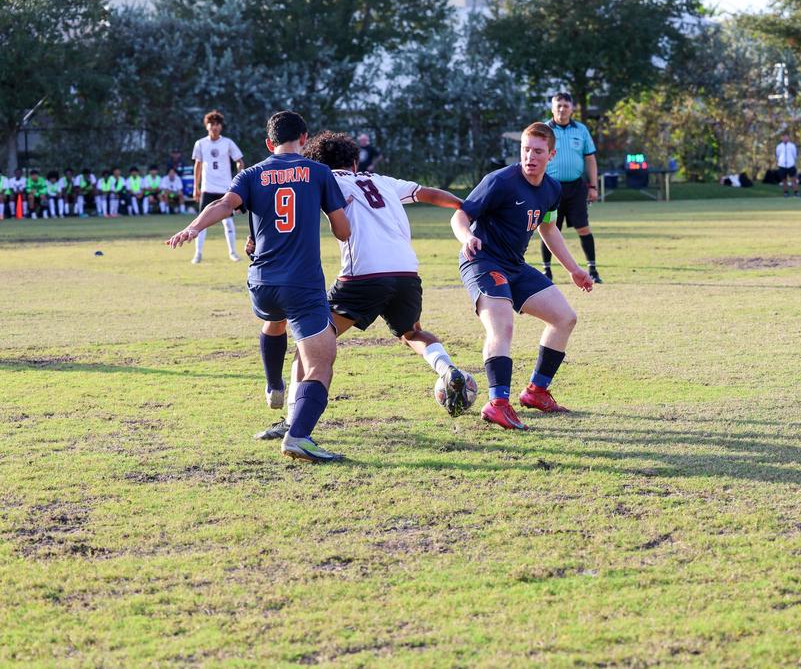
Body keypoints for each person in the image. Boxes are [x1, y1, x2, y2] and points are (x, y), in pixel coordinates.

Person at [253, 130, 470, 440]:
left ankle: (291, 421)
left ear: (318, 165)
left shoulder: (323, 180)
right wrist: (466, 207)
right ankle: (447, 369)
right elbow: (429, 194)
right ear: (355, 163)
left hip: (362, 276)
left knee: (309, 344)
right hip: (406, 272)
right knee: (412, 333)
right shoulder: (381, 181)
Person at [167, 110, 350, 462]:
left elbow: (223, 204)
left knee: (275, 319)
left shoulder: (251, 174)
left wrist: (193, 227)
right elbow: (343, 231)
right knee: (321, 361)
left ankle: (274, 385)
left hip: (262, 284)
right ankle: (299, 436)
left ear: (269, 143)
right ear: (304, 139)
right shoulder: (318, 172)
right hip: (302, 284)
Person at [451, 122, 594, 430]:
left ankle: (536, 391)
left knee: (564, 318)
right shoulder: (500, 181)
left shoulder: (552, 189)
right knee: (502, 325)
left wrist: (574, 269)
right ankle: (498, 404)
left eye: (538, 151)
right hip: (483, 261)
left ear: (551, 155)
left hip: (514, 265)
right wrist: (467, 237)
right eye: (526, 150)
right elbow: (460, 214)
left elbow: (549, 229)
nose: (530, 157)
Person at [538, 92, 602, 284]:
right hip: (550, 188)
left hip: (576, 188)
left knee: (583, 227)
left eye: (566, 106)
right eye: (558, 105)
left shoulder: (581, 130)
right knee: (548, 229)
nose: (562, 109)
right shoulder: (544, 130)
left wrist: (593, 186)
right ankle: (546, 272)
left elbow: (590, 159)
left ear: (572, 109)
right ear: (552, 108)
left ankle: (593, 269)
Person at [191, 110, 244, 263]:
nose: (214, 127)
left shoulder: (228, 143)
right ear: (206, 126)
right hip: (207, 188)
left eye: (217, 124)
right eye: (211, 124)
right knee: (202, 222)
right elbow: (198, 166)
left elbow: (239, 161)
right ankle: (198, 254)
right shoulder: (200, 143)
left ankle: (233, 252)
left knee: (228, 222)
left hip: (225, 189)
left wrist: (239, 176)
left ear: (221, 126)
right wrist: (196, 187)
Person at [775, 132, 799, 197]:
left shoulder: (792, 146)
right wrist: (780, 162)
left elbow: (795, 155)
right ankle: (786, 192)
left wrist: (792, 162)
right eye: (784, 137)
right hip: (782, 166)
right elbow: (777, 155)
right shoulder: (779, 146)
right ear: (782, 138)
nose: (785, 138)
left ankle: (796, 192)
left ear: (788, 138)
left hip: (791, 165)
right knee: (784, 180)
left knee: (794, 180)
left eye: (786, 137)